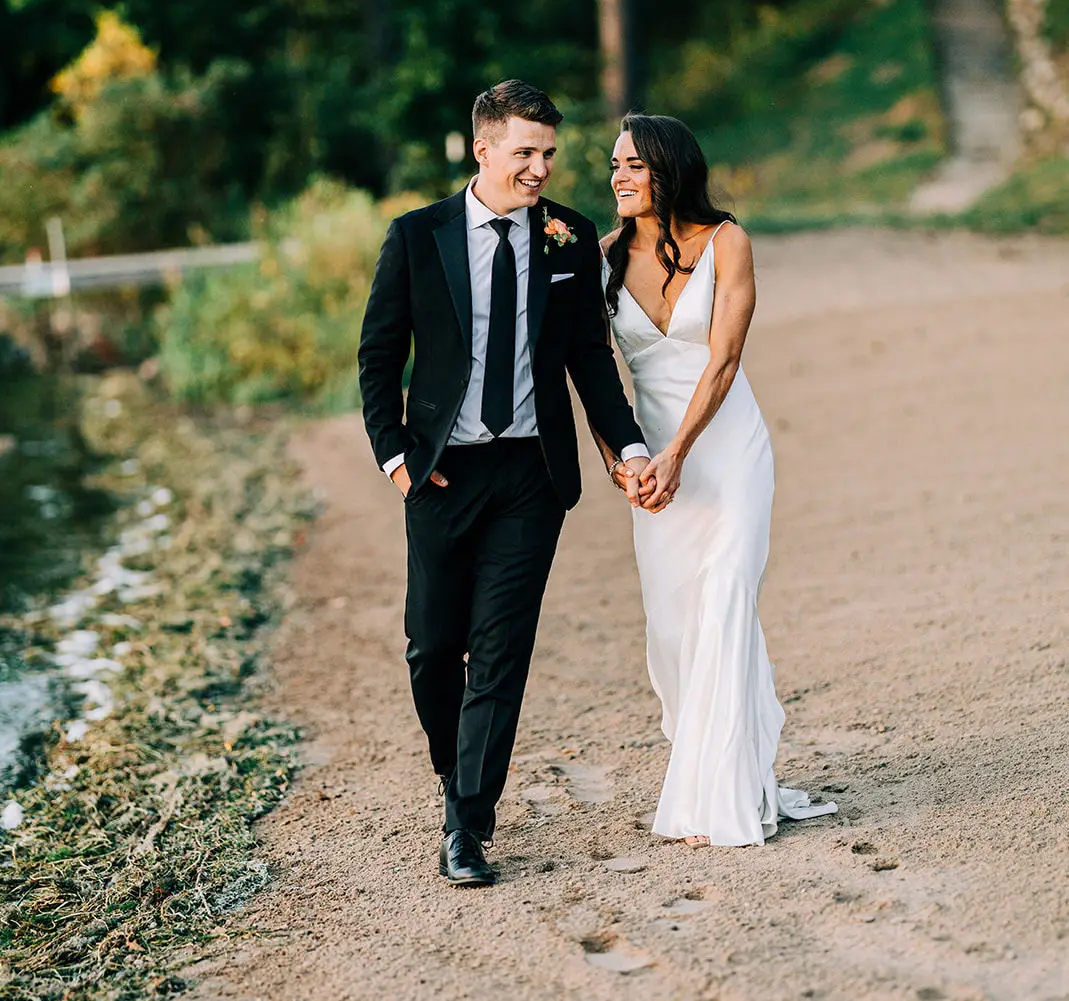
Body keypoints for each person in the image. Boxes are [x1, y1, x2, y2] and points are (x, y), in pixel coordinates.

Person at [358, 80, 651, 885]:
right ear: (482, 148)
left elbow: (589, 357)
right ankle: (456, 776)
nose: (539, 168)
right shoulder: (417, 237)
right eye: (525, 152)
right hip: (441, 473)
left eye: (548, 154)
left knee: (499, 651)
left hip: (530, 471)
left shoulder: (569, 239)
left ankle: (468, 823)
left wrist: (625, 444)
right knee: (430, 647)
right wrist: (396, 458)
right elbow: (379, 358)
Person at [598, 113, 837, 847]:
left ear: (668, 169)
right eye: (612, 165)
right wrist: (626, 456)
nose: (617, 177)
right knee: (673, 627)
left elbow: (723, 361)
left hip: (727, 451)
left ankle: (723, 797)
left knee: (725, 599)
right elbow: (593, 371)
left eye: (632, 164)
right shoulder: (602, 255)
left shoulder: (727, 242)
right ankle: (714, 762)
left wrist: (678, 452)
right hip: (653, 466)